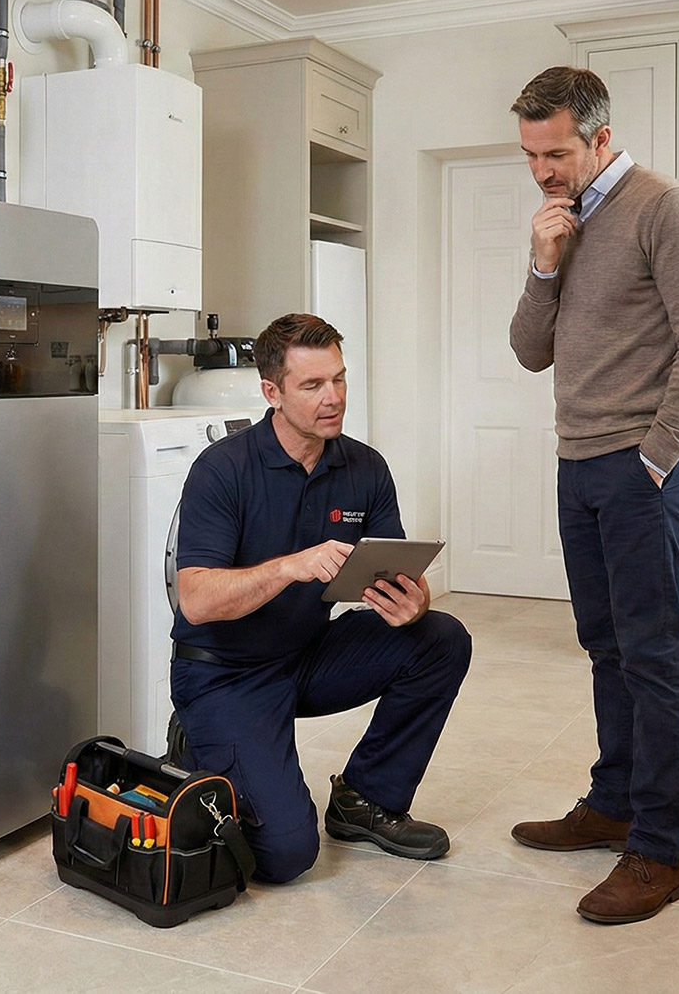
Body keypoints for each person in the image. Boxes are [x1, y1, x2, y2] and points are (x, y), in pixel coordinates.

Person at [504, 67, 679, 924]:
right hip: (579, 463)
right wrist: (542, 263)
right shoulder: (564, 224)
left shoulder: (663, 207)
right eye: (530, 154)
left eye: (556, 152)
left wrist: (656, 458)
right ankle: (614, 801)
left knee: (652, 653)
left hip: (640, 468)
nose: (542, 170)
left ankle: (658, 849)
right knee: (604, 643)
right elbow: (531, 350)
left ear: (600, 137)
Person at [167, 313, 472, 884]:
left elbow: (396, 569)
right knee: (285, 857)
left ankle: (365, 800)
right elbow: (196, 601)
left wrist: (414, 600)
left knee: (439, 638)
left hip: (306, 654)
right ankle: (196, 741)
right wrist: (288, 567)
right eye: (312, 385)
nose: (332, 398)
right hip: (224, 674)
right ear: (272, 392)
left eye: (339, 379)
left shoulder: (364, 467)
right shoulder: (223, 470)